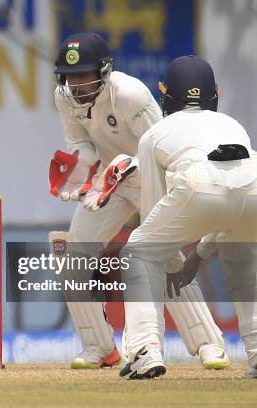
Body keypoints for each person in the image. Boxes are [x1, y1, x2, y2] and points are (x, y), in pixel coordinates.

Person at [50, 33, 229, 370]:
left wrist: (121, 168)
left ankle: (209, 344)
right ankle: (99, 347)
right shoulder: (65, 98)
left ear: (104, 71)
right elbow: (79, 140)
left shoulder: (130, 94)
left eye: (84, 74)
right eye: (70, 76)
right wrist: (82, 167)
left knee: (161, 254)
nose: (76, 84)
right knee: (72, 251)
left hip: (150, 177)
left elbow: (160, 147)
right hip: (110, 181)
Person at [119, 55, 257, 380]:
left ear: (165, 95)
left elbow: (153, 218)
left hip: (198, 182)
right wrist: (199, 255)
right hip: (254, 184)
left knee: (138, 251)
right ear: (214, 94)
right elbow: (233, 202)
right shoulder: (233, 124)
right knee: (244, 267)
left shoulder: (154, 134)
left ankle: (144, 350)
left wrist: (174, 253)